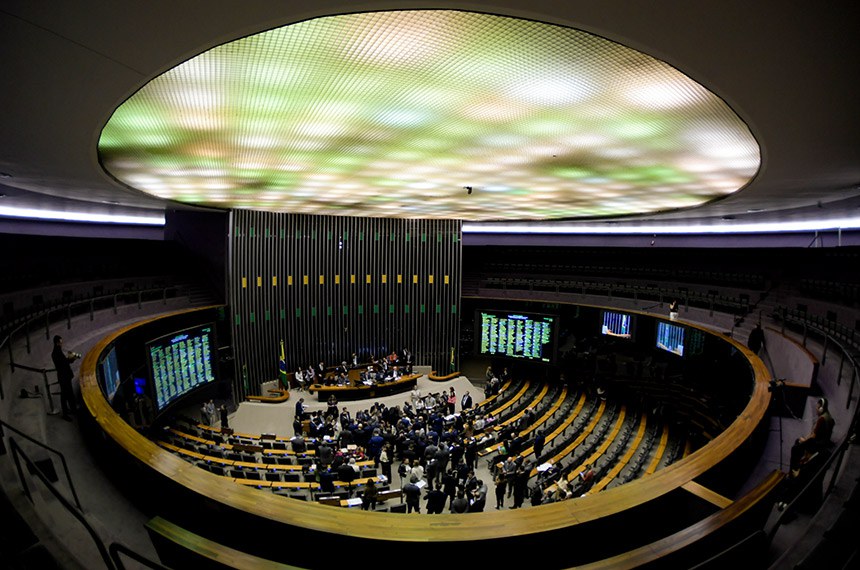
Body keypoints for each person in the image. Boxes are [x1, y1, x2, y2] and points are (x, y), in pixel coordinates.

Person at [791, 397, 835, 470]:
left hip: (818, 444)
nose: (816, 409)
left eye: (817, 407)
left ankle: (794, 469)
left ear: (821, 408)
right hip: (824, 442)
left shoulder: (821, 419)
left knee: (797, 444)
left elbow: (813, 436)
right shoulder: (829, 417)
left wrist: (803, 440)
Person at [51, 335, 79, 421]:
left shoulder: (58, 351)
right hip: (63, 377)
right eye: (60, 342)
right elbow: (62, 364)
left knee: (69, 394)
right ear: (57, 343)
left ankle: (72, 409)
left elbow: (64, 362)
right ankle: (65, 414)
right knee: (64, 395)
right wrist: (71, 359)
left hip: (65, 376)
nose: (62, 343)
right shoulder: (56, 353)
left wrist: (70, 359)